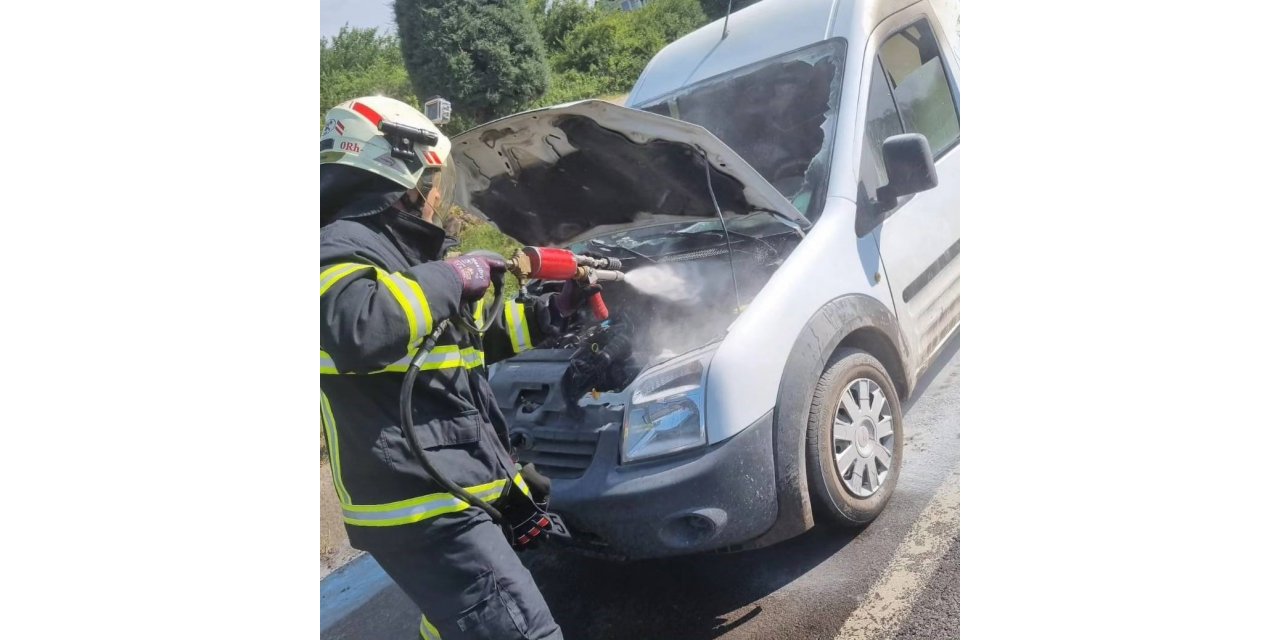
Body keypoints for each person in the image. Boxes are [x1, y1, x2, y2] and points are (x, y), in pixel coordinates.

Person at [319, 96, 568, 640]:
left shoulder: (398, 254)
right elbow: (360, 328)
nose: (436, 195)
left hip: (449, 482)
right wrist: (456, 275)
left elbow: (465, 338)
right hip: (416, 503)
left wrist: (552, 314)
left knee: (461, 626)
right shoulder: (334, 248)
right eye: (433, 177)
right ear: (399, 167)